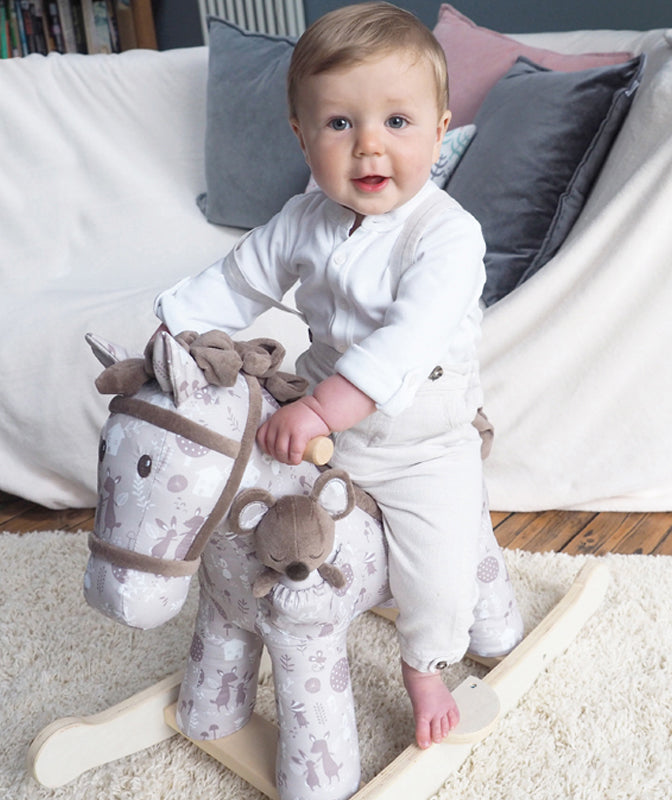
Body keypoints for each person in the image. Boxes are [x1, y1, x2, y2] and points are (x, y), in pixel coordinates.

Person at [154, 1, 518, 749]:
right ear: (302, 134)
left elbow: (404, 341)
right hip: (319, 414)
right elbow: (239, 279)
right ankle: (242, 620)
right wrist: (172, 329)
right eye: (340, 123)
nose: (368, 147)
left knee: (437, 571)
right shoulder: (306, 216)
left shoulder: (448, 236)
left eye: (397, 122)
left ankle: (426, 665)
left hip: (420, 441)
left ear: (441, 130)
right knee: (246, 499)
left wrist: (321, 411)